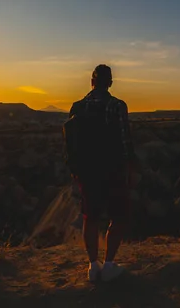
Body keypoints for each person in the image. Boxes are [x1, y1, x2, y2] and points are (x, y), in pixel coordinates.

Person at [68, 64, 138, 283]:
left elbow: (71, 142)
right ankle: (108, 265)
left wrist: (75, 169)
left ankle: (92, 265)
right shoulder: (117, 106)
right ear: (110, 83)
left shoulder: (77, 107)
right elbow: (125, 141)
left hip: (88, 172)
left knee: (91, 217)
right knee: (118, 216)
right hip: (113, 169)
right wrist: (130, 169)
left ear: (91, 82)